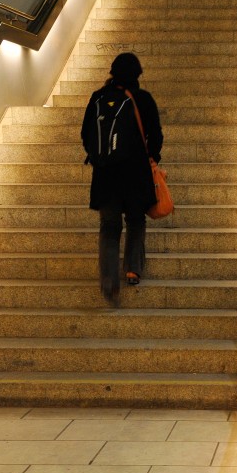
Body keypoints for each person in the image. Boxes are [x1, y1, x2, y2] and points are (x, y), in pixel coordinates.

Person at [81, 52, 163, 306]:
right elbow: (156, 135)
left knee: (109, 226)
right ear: (137, 74)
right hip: (136, 174)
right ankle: (132, 270)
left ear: (112, 72)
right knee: (136, 220)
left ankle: (108, 278)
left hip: (105, 175)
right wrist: (152, 157)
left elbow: (85, 134)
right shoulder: (143, 99)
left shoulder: (98, 98)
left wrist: (99, 157)